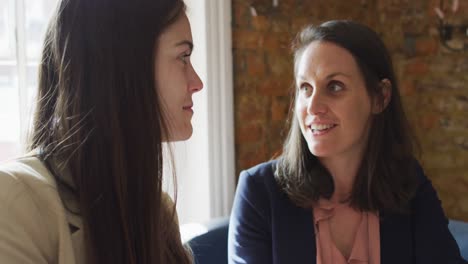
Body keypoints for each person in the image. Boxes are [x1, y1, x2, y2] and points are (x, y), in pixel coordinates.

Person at [228, 20, 466, 264]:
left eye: (334, 86)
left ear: (380, 98)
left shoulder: (409, 185)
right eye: (305, 88)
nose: (313, 106)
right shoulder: (258, 193)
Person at [0, 0, 203, 263]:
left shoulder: (158, 212)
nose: (197, 83)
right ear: (123, 65)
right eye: (183, 57)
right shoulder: (14, 203)